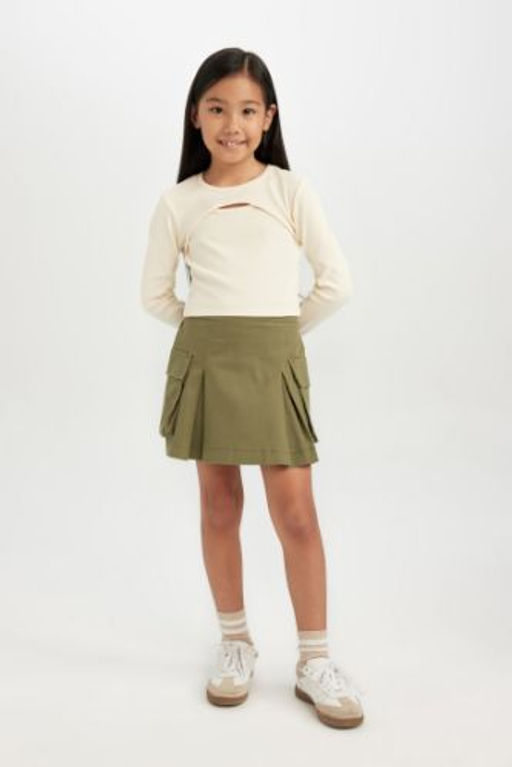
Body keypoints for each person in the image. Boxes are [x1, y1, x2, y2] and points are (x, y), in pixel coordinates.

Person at [140, 47, 364, 729]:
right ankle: (235, 642)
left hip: (273, 360)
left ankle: (314, 658)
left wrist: (281, 330)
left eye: (245, 110)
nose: (231, 125)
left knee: (296, 513)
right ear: (195, 116)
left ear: (268, 118)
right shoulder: (179, 202)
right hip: (208, 360)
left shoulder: (290, 191)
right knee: (219, 506)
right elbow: (155, 295)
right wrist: (208, 327)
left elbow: (336, 283)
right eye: (217, 108)